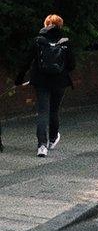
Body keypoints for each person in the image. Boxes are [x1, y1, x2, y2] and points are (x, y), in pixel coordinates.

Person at [15, 14, 76, 158]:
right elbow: (72, 65)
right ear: (60, 26)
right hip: (60, 82)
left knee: (43, 112)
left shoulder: (38, 41)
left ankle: (42, 146)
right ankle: (53, 139)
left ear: (45, 24)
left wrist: (19, 79)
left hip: (41, 81)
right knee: (54, 111)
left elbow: (26, 61)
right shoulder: (65, 42)